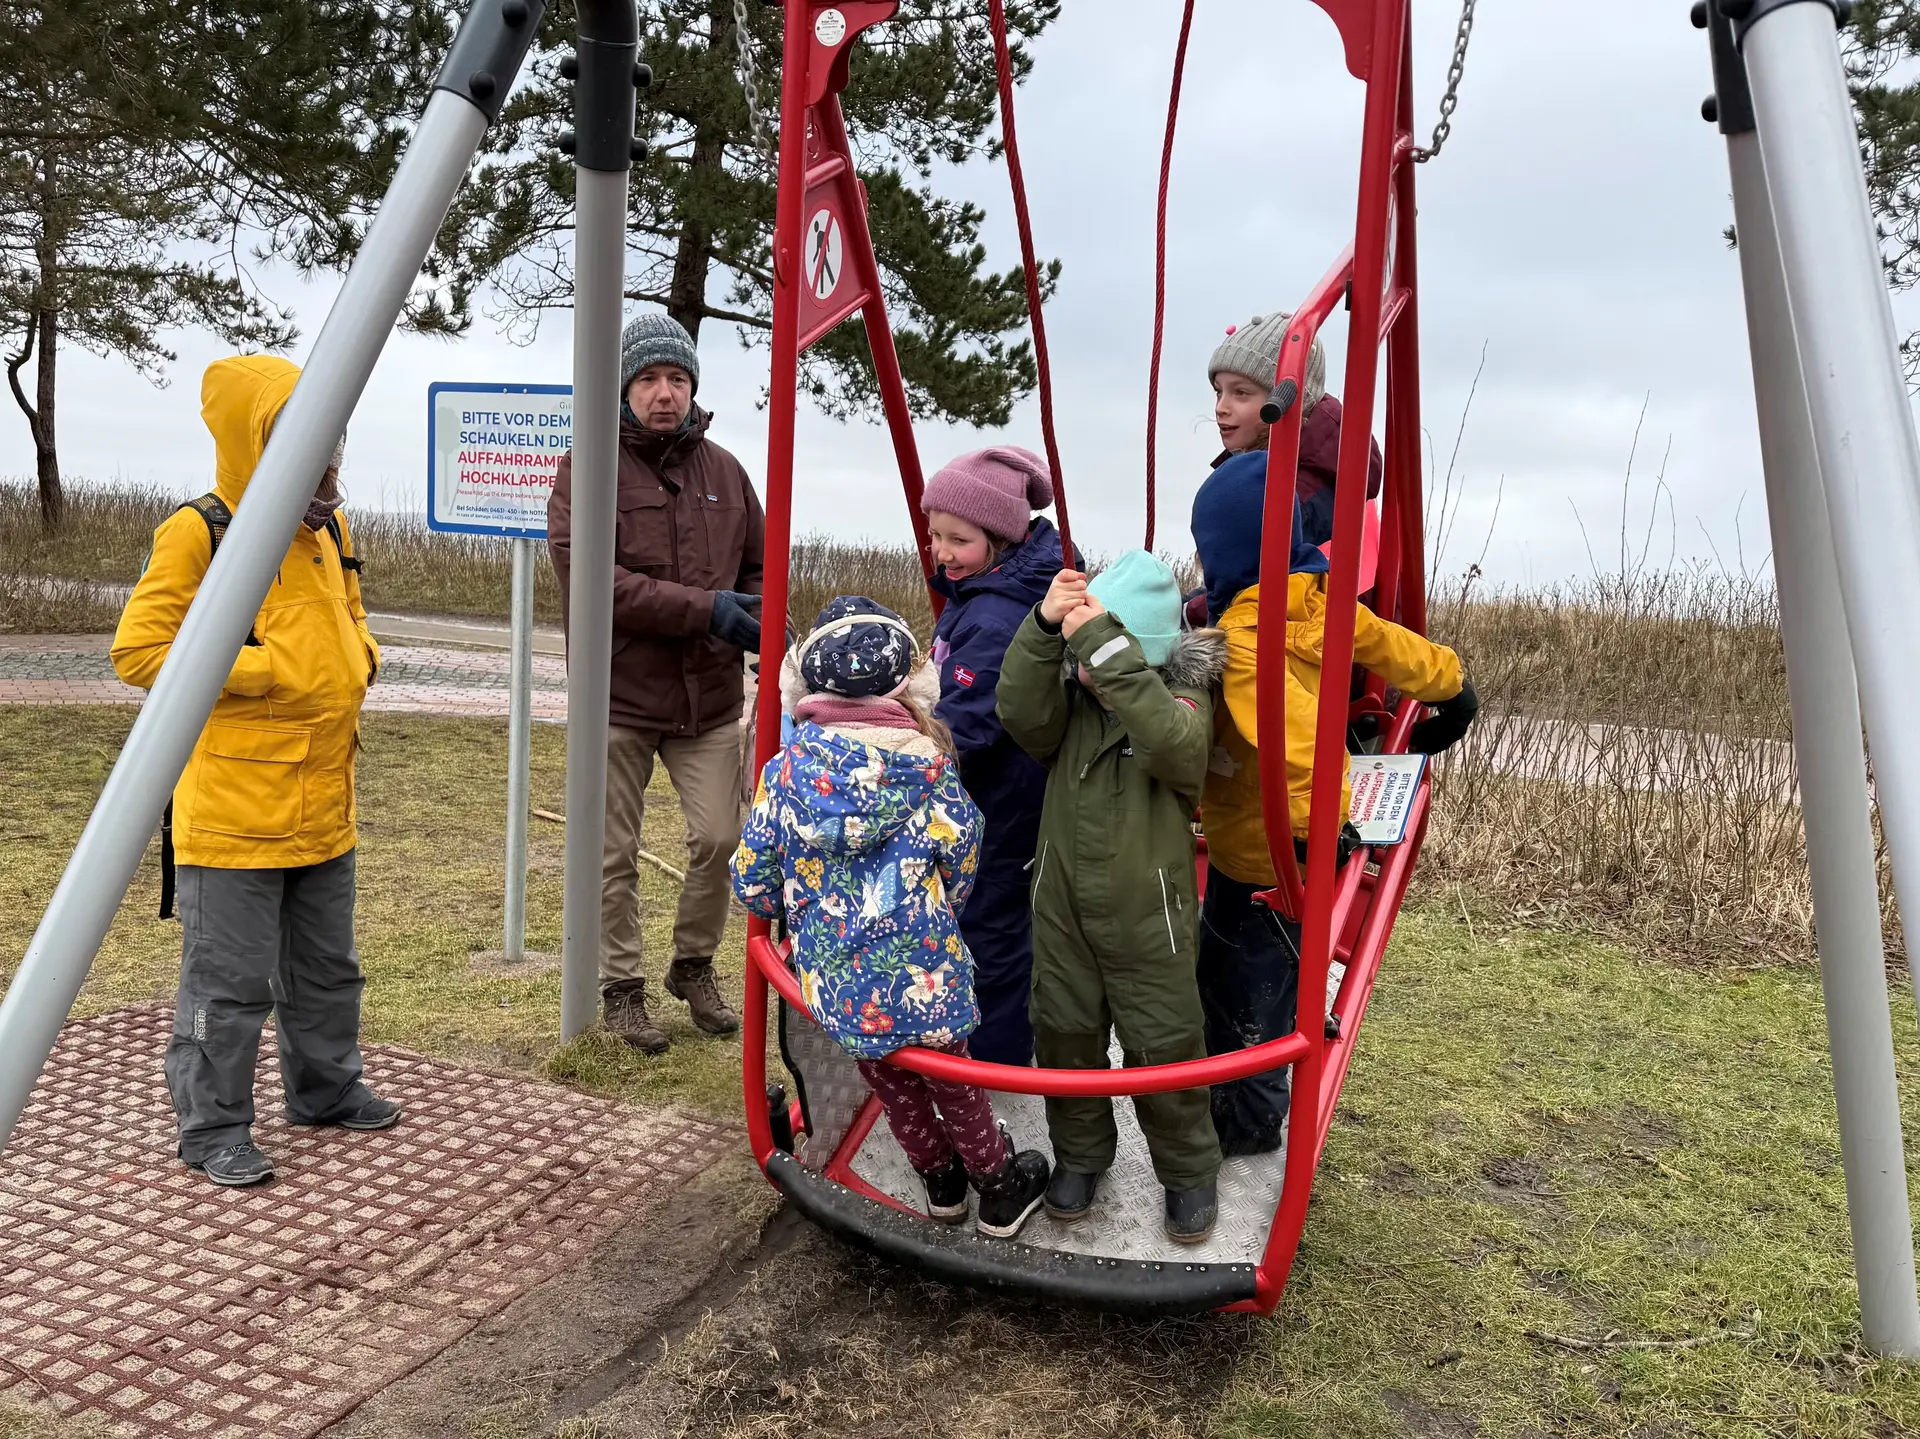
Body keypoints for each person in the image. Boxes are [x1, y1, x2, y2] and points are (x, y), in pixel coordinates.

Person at [112, 354, 396, 1187]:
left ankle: (327, 1088)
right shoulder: (200, 532)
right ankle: (211, 1127)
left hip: (324, 801)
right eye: (300, 436)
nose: (326, 457)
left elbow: (350, 617)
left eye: (330, 437)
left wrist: (361, 656)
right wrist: (265, 667)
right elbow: (138, 650)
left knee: (327, 969)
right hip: (234, 814)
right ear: (256, 439)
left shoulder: (330, 530)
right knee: (228, 983)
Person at [731, 598, 1052, 1238]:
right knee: (954, 1081)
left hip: (837, 977)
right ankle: (997, 1188)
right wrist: (942, 907)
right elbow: (963, 854)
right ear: (911, 685)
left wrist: (790, 907)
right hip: (923, 968)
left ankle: (938, 1180)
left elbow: (752, 880)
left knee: (889, 1077)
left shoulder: (786, 772)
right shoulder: (927, 768)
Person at [1190, 459, 1479, 1155]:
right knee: (1267, 971)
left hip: (1265, 858)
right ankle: (1249, 1078)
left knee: (1239, 994)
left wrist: (1316, 829)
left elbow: (1298, 748)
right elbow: (1392, 643)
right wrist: (1454, 684)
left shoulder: (1245, 642)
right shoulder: (1322, 606)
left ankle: (1247, 1126)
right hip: (1289, 852)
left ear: (1223, 551)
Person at [547, 312, 766, 1054]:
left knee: (720, 837)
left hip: (708, 700)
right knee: (613, 852)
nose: (664, 393)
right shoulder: (588, 467)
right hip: (619, 695)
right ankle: (621, 988)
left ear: (693, 385)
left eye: (676, 378)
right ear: (624, 389)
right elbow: (595, 583)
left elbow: (761, 568)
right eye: (648, 379)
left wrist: (763, 616)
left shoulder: (729, 473)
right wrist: (709, 611)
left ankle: (693, 965)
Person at [996, 550, 1226, 1244]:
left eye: (1105, 658)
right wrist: (1045, 625)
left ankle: (1188, 1168)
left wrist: (1102, 644)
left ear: (1142, 653)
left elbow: (1175, 745)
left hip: (1147, 917)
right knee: (1064, 1032)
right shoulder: (1069, 710)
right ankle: (1081, 1156)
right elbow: (1016, 708)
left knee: (1165, 1044)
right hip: (1065, 906)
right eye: (1083, 662)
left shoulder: (1180, 703)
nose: (1090, 676)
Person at [920, 445, 1075, 1067]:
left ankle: (997, 1056)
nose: (941, 551)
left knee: (991, 924)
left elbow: (968, 722)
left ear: (1003, 539)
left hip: (999, 799)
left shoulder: (995, 615)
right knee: (995, 918)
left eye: (958, 539)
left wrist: (903, 750)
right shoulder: (982, 595)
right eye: (935, 535)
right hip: (997, 794)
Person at [1207, 311, 1383, 552]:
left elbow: (1250, 579)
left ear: (1287, 402)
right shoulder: (1260, 468)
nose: (1221, 407)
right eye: (1219, 391)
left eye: (1241, 393)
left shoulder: (1302, 501)